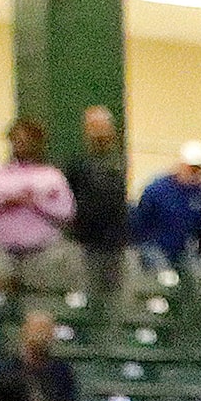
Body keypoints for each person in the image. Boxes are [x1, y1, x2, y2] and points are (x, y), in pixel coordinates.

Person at [0, 118, 80, 297]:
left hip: (42, 252)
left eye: (26, 140)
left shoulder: (51, 177)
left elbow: (66, 212)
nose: (21, 144)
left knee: (41, 302)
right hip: (1, 249)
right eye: (17, 140)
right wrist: (5, 201)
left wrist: (35, 203)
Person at [64, 106, 133, 297]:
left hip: (115, 245)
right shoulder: (77, 164)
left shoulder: (119, 163)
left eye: (103, 127)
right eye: (94, 127)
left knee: (114, 297)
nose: (100, 133)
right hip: (84, 243)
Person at [130, 140, 201, 279]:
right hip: (154, 247)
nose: (197, 173)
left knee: (198, 276)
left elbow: (199, 227)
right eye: (193, 168)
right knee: (166, 277)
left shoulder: (199, 192)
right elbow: (140, 223)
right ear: (183, 165)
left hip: (181, 249)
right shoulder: (156, 190)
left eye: (200, 170)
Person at [6, 308, 80, 401]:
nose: (40, 336)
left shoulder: (63, 370)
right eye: (36, 329)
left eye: (45, 330)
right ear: (25, 332)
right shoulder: (9, 368)